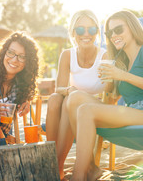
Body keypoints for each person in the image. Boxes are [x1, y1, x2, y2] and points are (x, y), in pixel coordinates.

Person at [65, 10, 143, 180]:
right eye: (109, 32)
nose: (114, 35)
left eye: (118, 30)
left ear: (132, 27)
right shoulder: (122, 60)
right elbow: (115, 97)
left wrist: (122, 76)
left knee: (86, 110)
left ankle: (79, 176)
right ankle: (90, 168)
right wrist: (108, 80)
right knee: (75, 98)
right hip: (132, 112)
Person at [45, 10, 107, 179]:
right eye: (80, 30)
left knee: (69, 100)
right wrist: (70, 91)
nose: (86, 34)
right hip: (72, 103)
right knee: (54, 100)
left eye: (92, 30)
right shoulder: (67, 55)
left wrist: (74, 94)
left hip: (97, 108)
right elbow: (59, 89)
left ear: (97, 32)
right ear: (73, 32)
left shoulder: (104, 56)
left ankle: (56, 165)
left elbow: (111, 92)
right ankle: (52, 159)